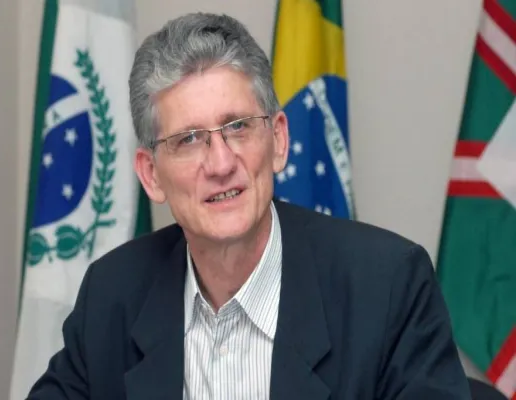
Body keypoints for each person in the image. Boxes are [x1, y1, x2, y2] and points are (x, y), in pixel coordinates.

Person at [26, 12, 471, 399]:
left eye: (238, 127)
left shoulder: (388, 287)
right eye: (189, 139)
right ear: (151, 175)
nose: (221, 164)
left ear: (278, 140)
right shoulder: (112, 295)